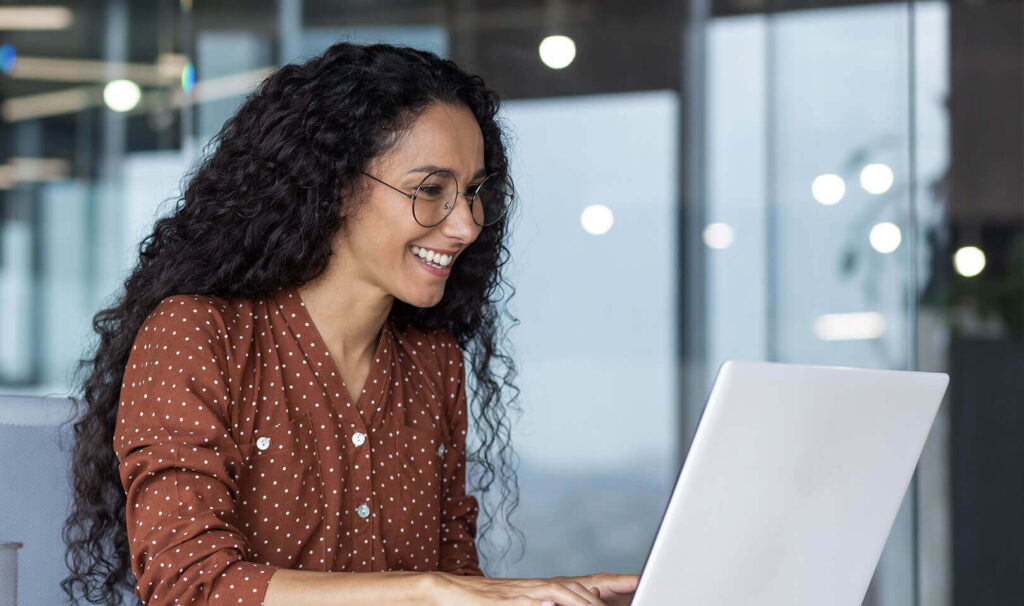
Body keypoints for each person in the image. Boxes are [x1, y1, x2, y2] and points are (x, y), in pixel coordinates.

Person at [60, 41, 639, 605]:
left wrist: (544, 599)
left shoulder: (433, 362)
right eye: (431, 191)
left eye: (473, 193)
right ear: (335, 186)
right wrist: (424, 590)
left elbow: (457, 582)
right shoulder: (197, 334)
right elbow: (189, 586)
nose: (465, 225)